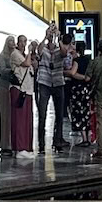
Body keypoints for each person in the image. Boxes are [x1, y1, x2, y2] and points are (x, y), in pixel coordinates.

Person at [34, 24, 67, 153]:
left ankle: (57, 141)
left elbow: (64, 53)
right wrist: (45, 37)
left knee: (59, 115)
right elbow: (39, 50)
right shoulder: (44, 49)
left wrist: (59, 38)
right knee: (42, 115)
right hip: (45, 83)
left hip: (58, 83)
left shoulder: (60, 49)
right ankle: (41, 144)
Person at [10, 36, 35, 155]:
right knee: (20, 119)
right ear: (17, 43)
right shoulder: (15, 54)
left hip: (27, 89)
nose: (24, 44)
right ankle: (20, 147)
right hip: (19, 90)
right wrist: (30, 52)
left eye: (25, 41)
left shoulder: (23, 54)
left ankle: (27, 146)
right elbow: (26, 63)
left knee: (27, 119)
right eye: (22, 42)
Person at [65, 38, 91, 147]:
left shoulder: (77, 61)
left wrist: (64, 72)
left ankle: (84, 138)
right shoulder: (89, 60)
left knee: (78, 113)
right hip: (87, 89)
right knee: (86, 112)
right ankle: (89, 138)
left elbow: (72, 72)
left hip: (77, 89)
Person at [0, 32, 19, 157]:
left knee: (13, 116)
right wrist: (14, 69)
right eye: (10, 41)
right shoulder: (3, 55)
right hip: (4, 86)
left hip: (14, 87)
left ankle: (14, 142)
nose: (12, 43)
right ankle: (5, 144)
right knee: (4, 116)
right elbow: (2, 70)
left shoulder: (16, 54)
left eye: (13, 41)